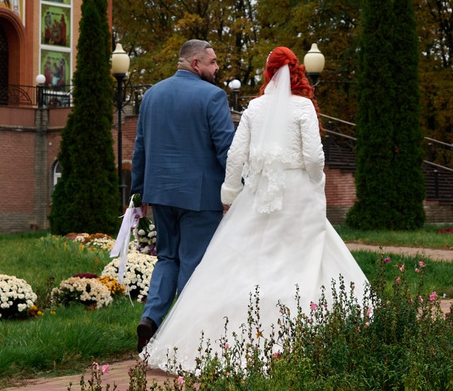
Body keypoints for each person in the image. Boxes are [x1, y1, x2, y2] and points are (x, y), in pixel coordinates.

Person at [141, 47, 372, 374]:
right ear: (296, 72)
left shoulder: (254, 107)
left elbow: (235, 156)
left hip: (257, 193)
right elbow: (315, 158)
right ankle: (306, 338)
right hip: (297, 193)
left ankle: (204, 335)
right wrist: (314, 181)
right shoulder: (303, 106)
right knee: (300, 260)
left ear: (268, 73)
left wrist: (231, 193)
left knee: (245, 261)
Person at [129, 38, 234, 351]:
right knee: (193, 262)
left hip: (160, 193)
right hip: (200, 198)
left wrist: (138, 193)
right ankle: (186, 338)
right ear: (196, 63)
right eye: (213, 62)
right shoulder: (213, 96)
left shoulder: (151, 95)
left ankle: (151, 318)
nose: (217, 69)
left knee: (167, 257)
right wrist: (236, 189)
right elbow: (226, 149)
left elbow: (140, 148)